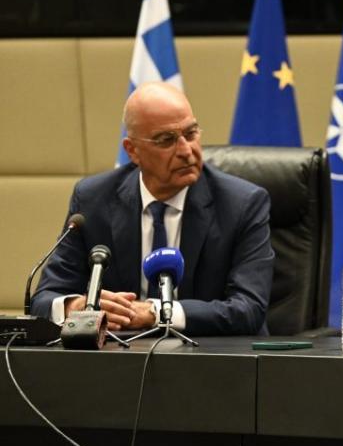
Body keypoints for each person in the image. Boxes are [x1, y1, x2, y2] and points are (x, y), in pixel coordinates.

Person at [31, 82, 274, 336]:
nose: (186, 150)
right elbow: (44, 299)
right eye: (166, 140)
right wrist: (76, 306)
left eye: (191, 134)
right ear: (132, 151)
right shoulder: (93, 200)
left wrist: (154, 313)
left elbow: (248, 309)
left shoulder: (242, 204)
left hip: (211, 353)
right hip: (121, 354)